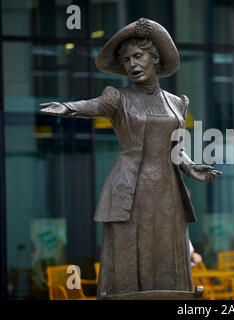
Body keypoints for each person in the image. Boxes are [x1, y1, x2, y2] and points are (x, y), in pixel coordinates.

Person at [40, 18, 221, 299]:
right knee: (128, 259)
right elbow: (94, 106)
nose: (132, 64)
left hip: (168, 194)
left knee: (167, 256)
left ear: (155, 58)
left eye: (138, 56)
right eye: (126, 60)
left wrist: (190, 166)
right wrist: (67, 108)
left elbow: (177, 148)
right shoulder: (118, 98)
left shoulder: (178, 102)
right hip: (131, 191)